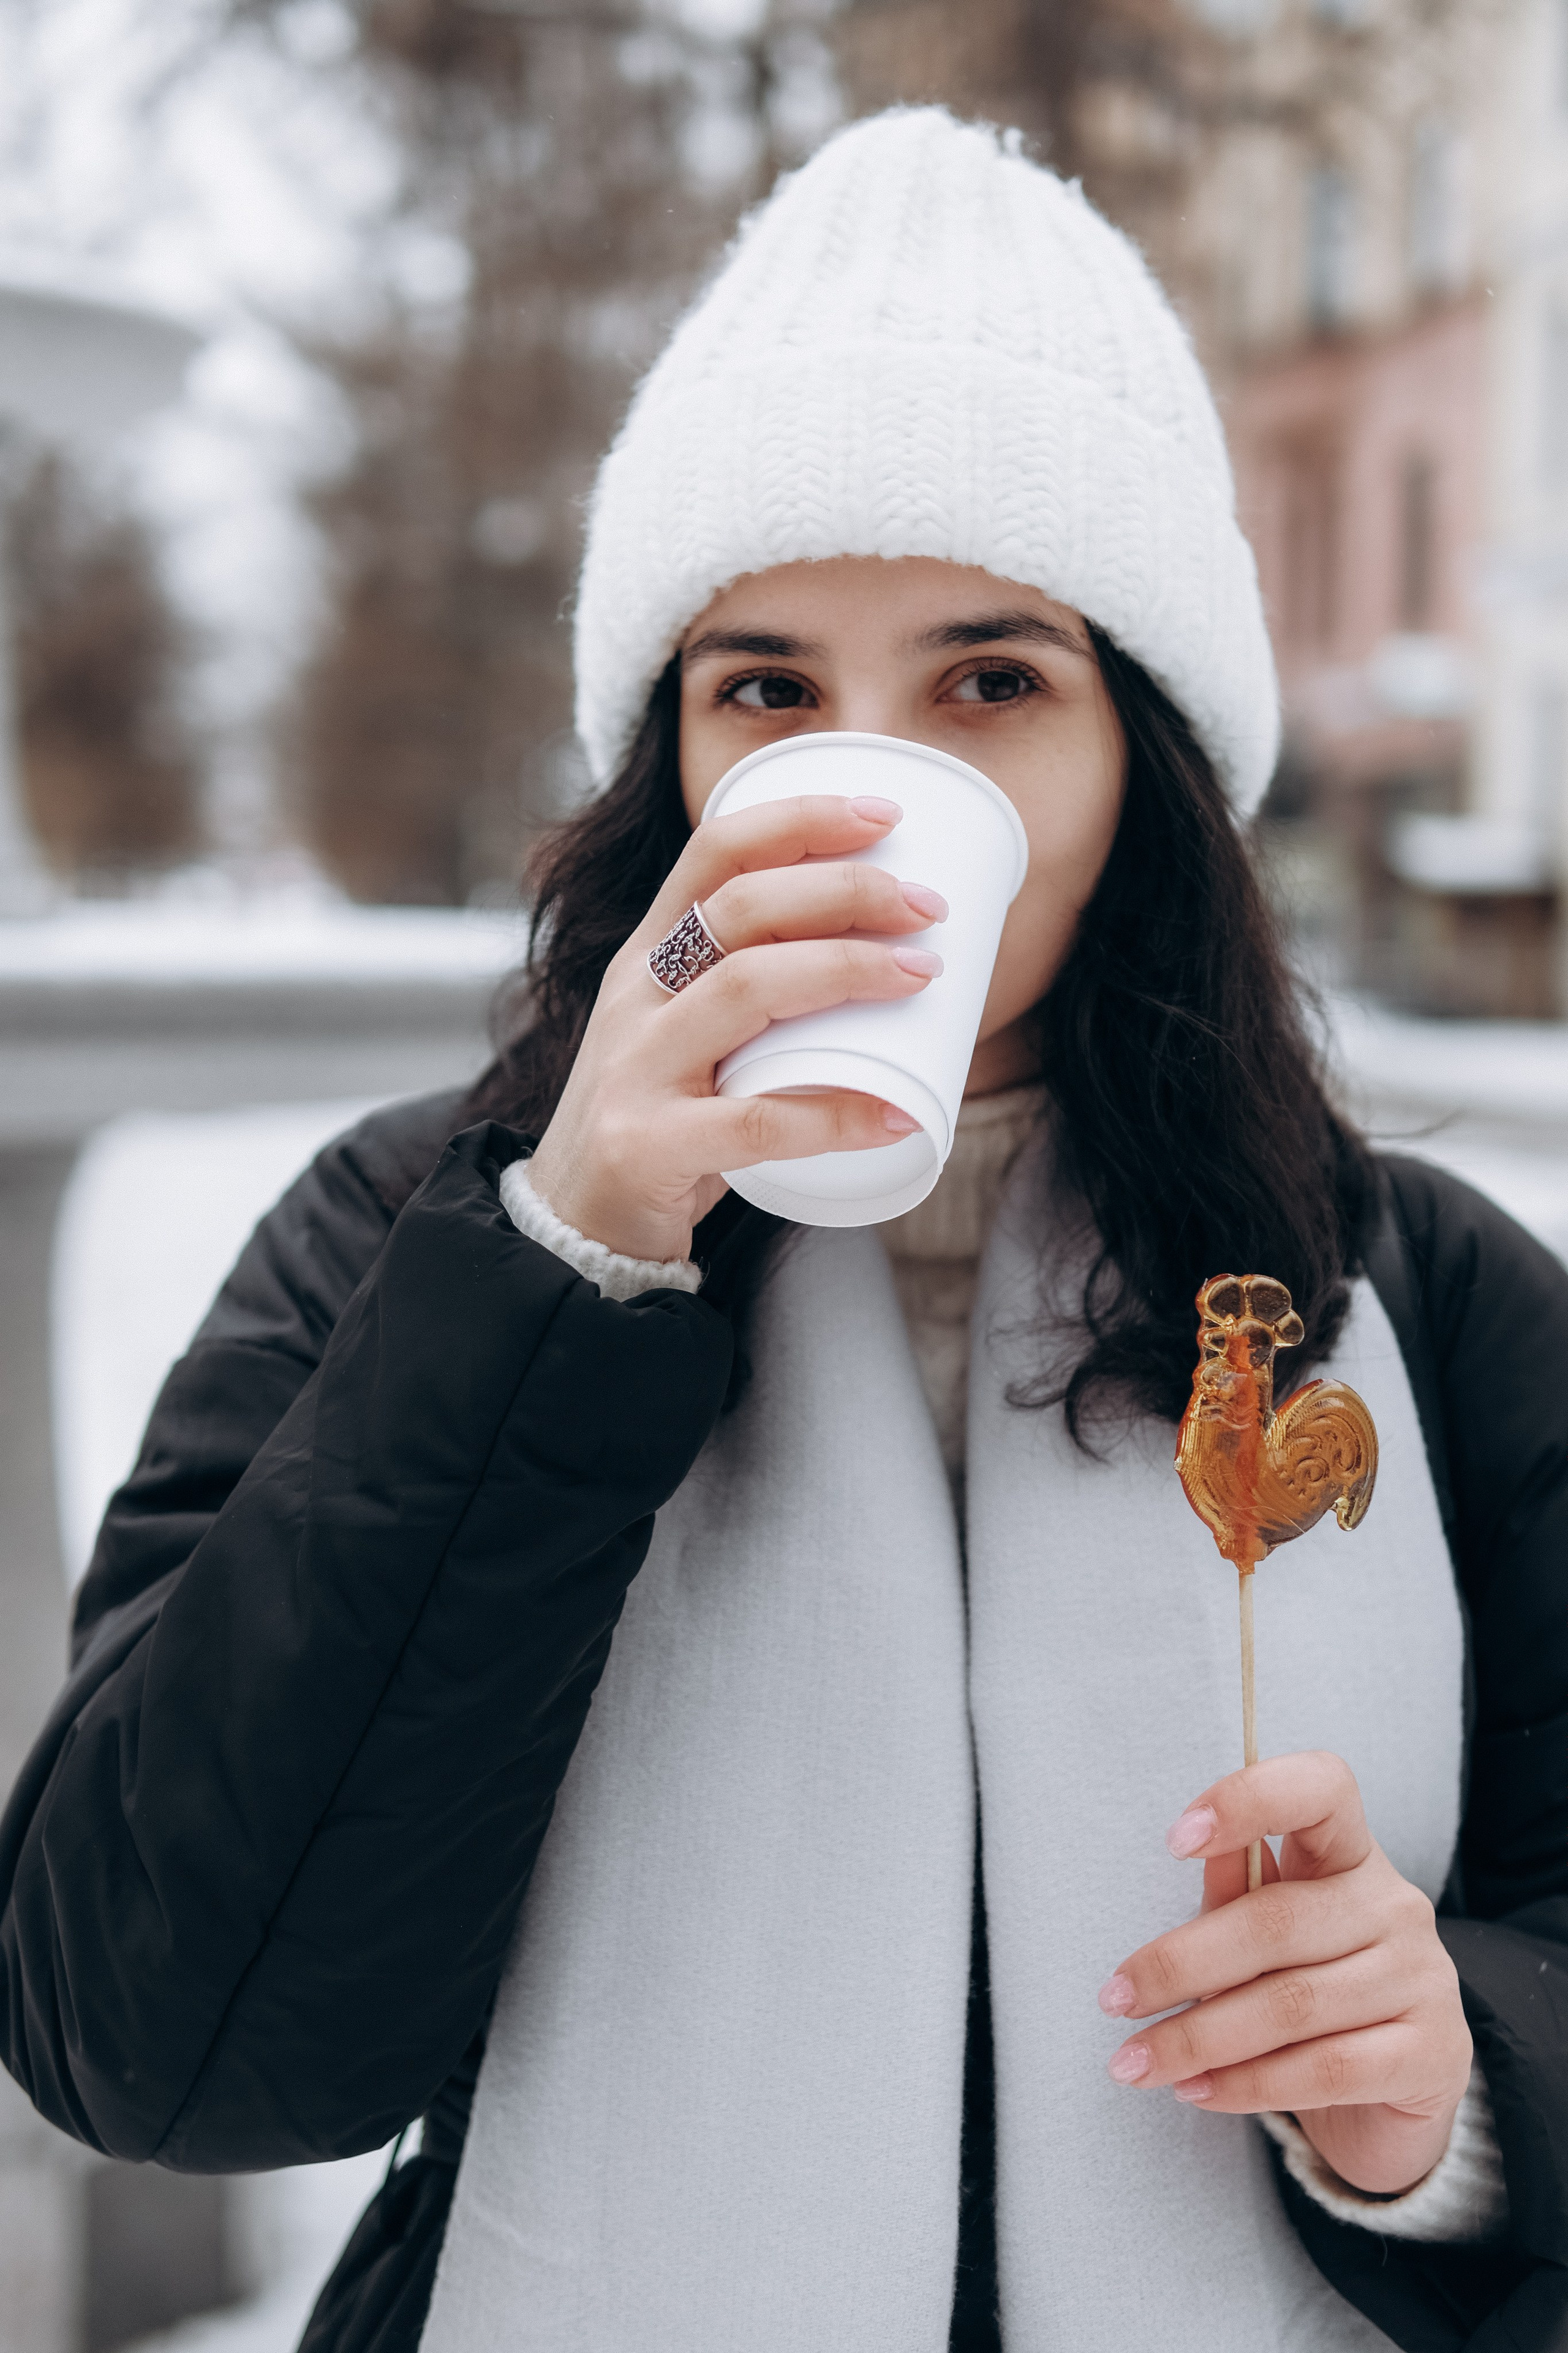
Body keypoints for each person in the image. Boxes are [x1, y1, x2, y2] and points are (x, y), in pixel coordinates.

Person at [2, 108, 1565, 2353]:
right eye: (770, 688)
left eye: (991, 680)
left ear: (1150, 756)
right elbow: (152, 2033)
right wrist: (567, 1262)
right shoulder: (408, 1240)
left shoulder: (1411, 1300)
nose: (866, 775)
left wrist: (1462, 2087)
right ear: (673, 758)